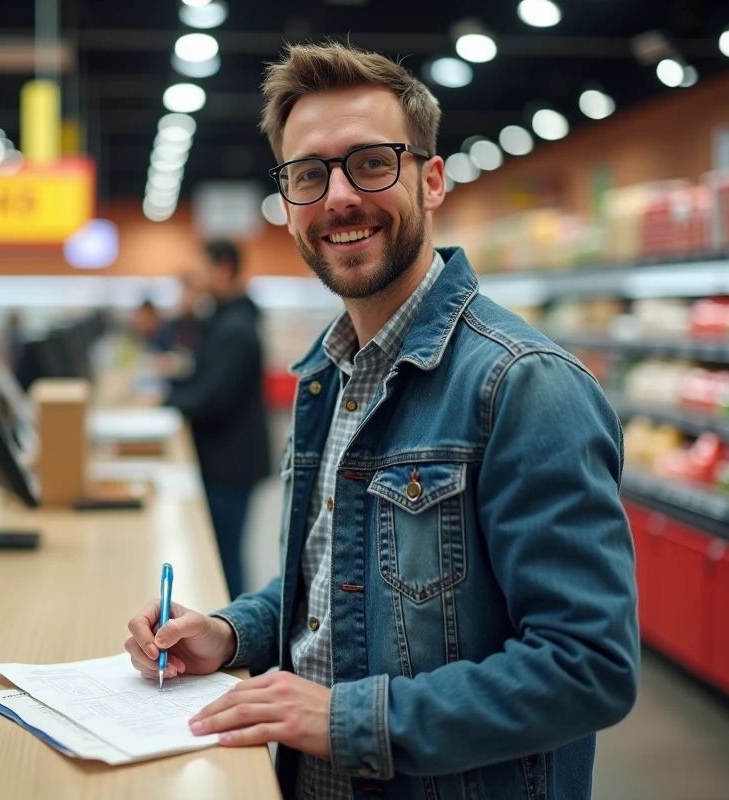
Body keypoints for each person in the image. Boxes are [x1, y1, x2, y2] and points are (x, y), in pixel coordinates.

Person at [124, 41, 639, 800]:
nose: (338, 198)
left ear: (431, 180)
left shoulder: (524, 387)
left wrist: (345, 719)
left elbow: (588, 667)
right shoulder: (328, 376)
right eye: (309, 175)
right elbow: (339, 587)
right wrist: (233, 632)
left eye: (370, 163)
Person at [164, 240, 271, 600]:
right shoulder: (228, 320)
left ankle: (230, 628)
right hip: (230, 458)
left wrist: (166, 399)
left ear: (222, 268)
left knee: (224, 558)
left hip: (230, 462)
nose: (199, 278)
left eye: (204, 269)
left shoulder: (234, 328)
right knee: (223, 553)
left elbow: (212, 397)